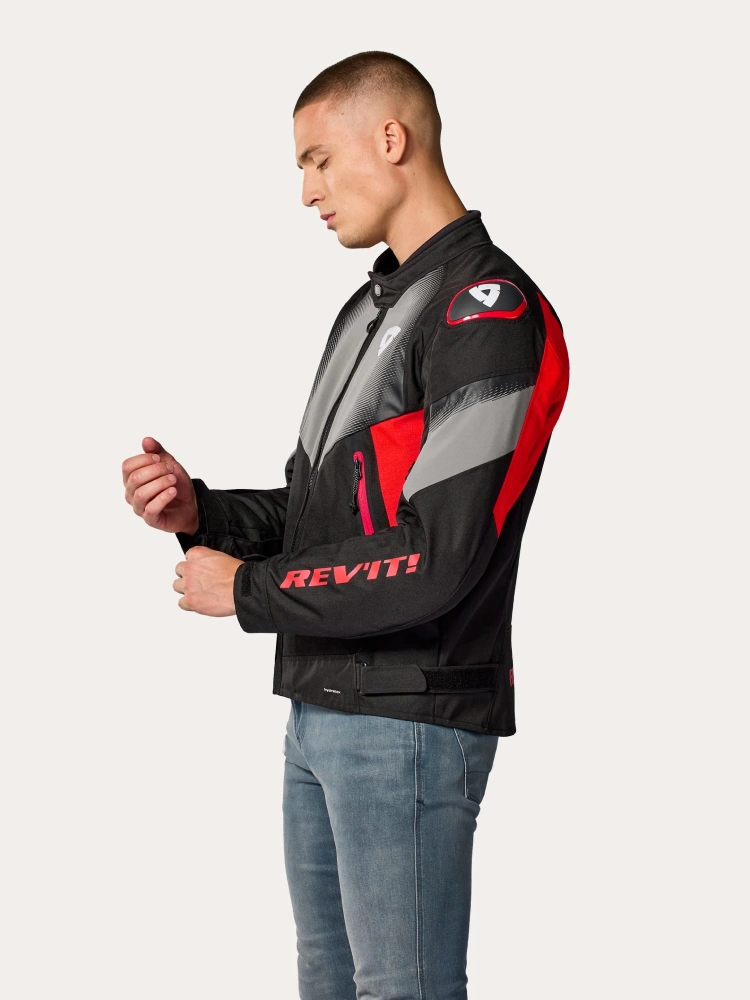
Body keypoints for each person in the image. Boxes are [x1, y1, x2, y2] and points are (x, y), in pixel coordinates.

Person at [121, 51, 569, 1000]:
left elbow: (441, 557)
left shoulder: (486, 313)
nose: (307, 192)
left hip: (410, 720)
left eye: (318, 160)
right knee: (329, 983)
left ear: (391, 139)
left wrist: (246, 592)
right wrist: (202, 512)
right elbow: (322, 516)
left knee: (400, 989)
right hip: (321, 711)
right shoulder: (371, 309)